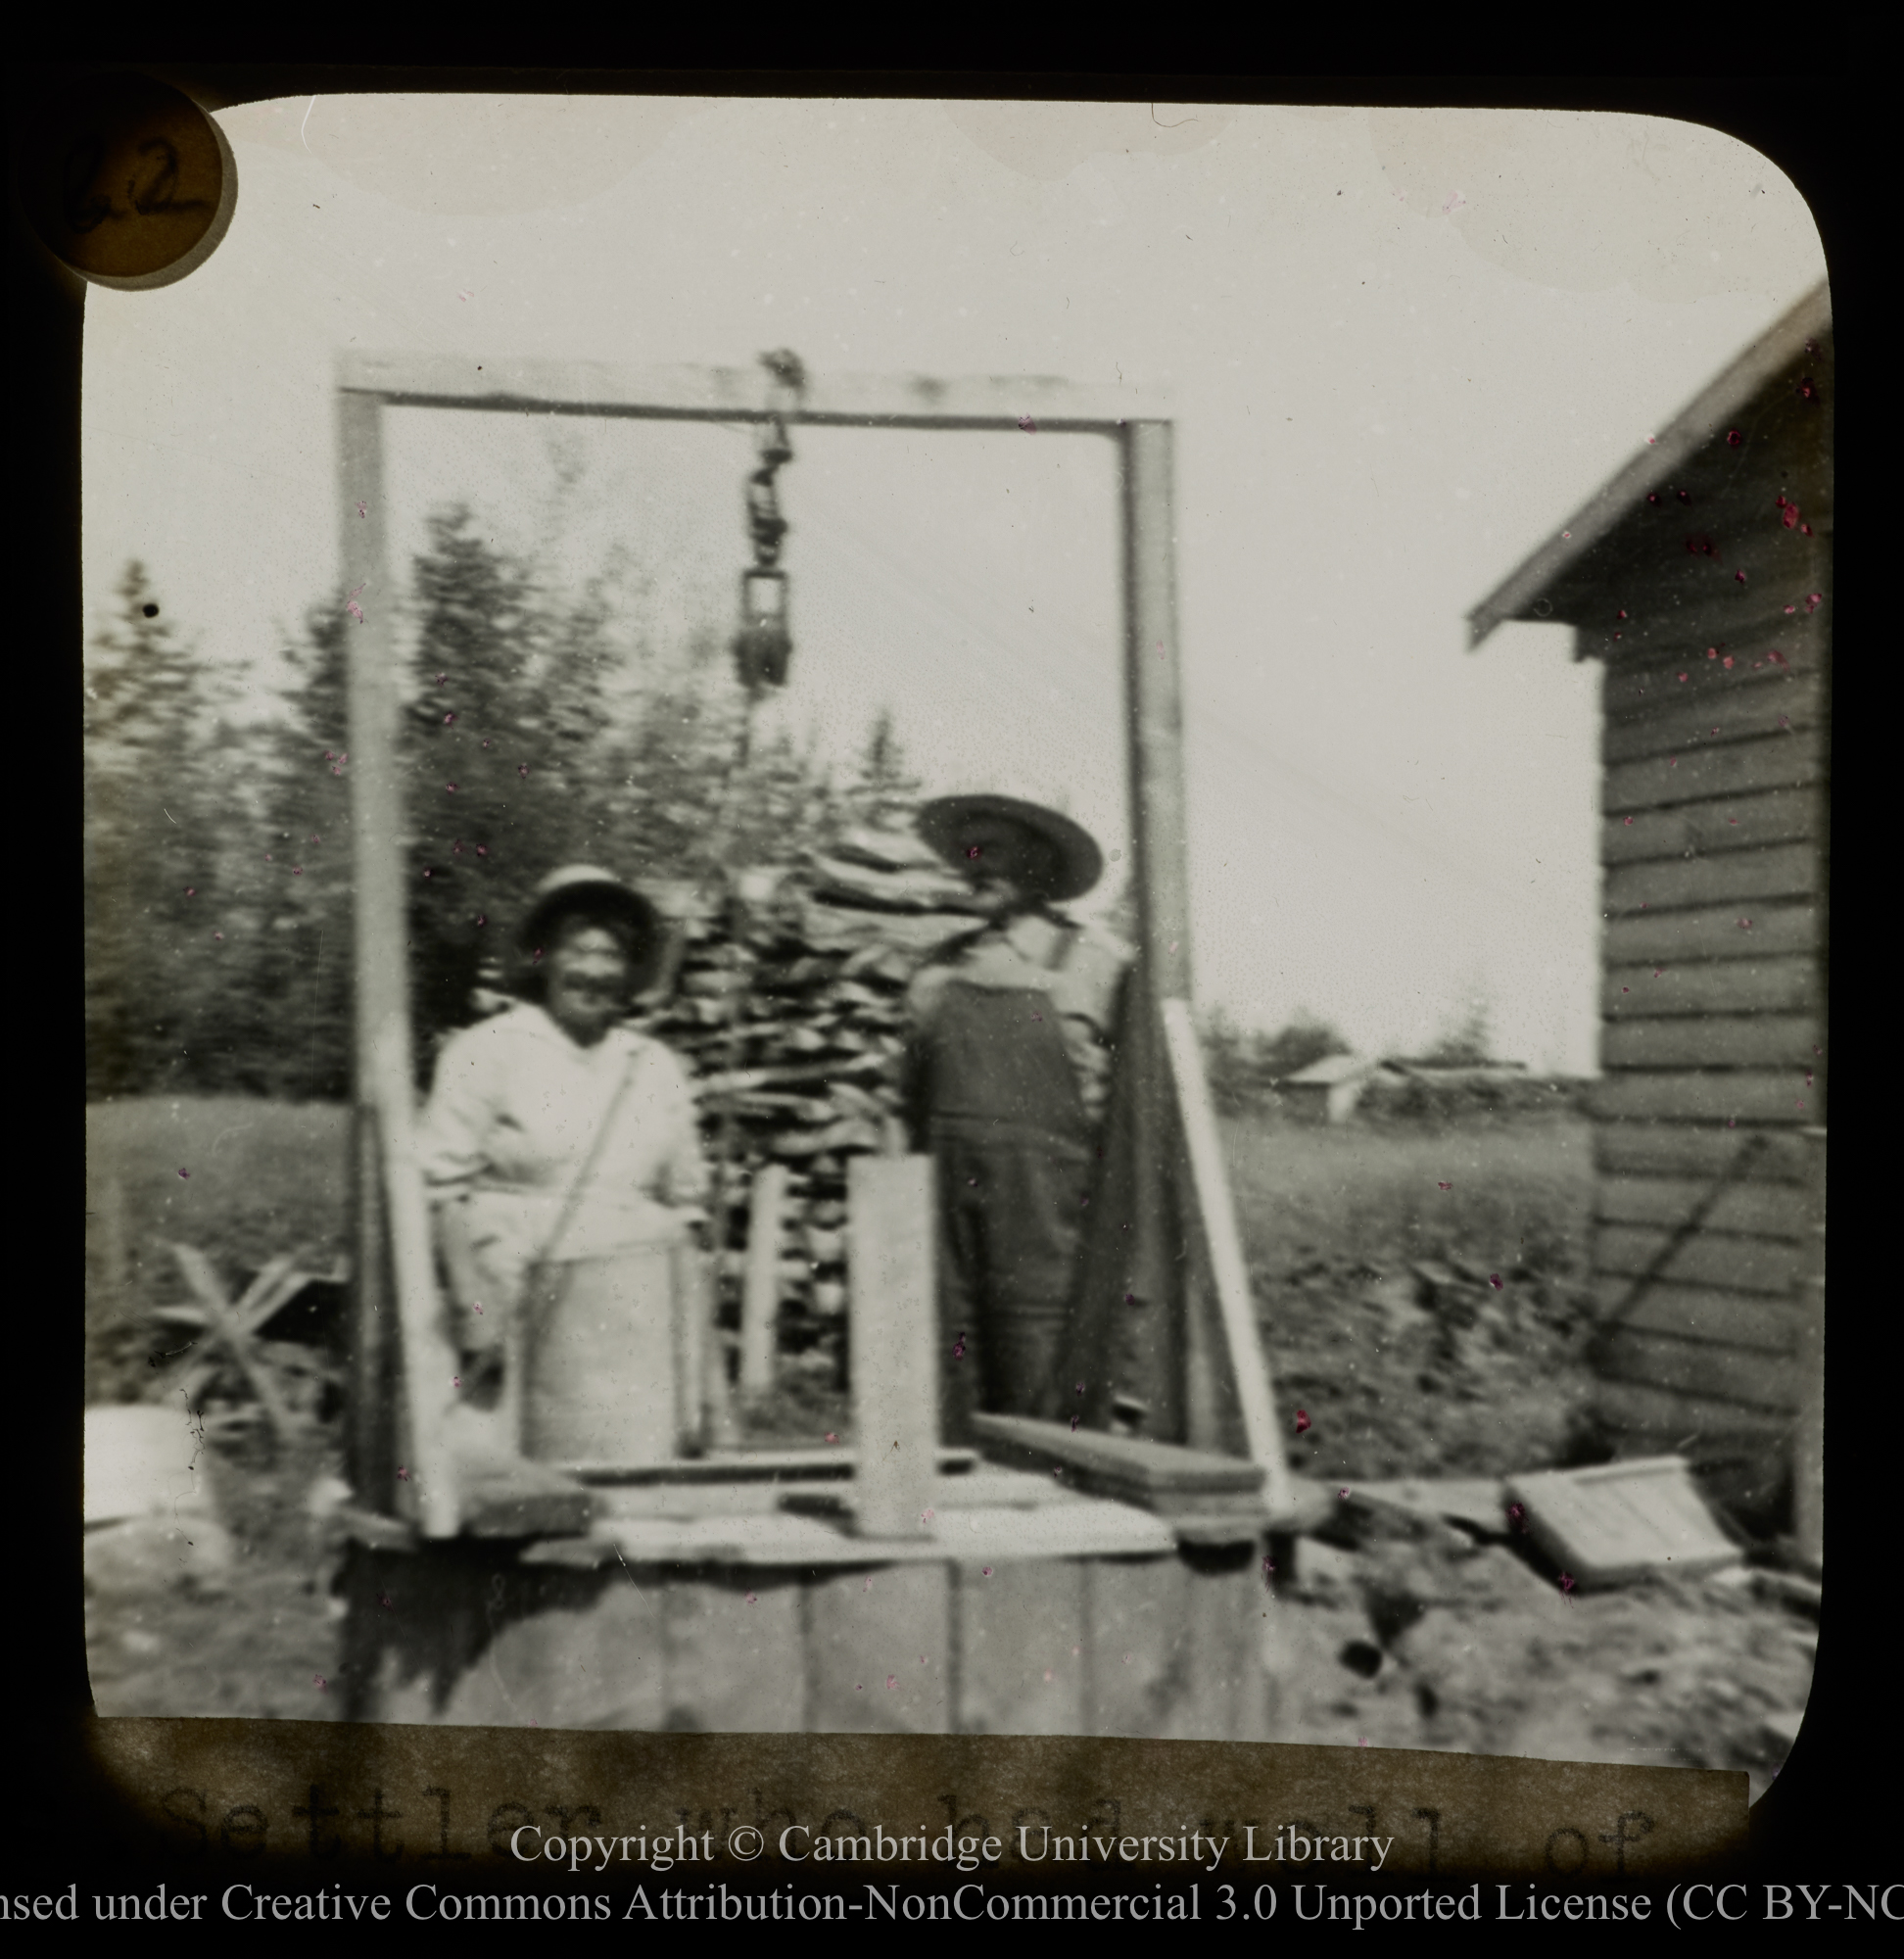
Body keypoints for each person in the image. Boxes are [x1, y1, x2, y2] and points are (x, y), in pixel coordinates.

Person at [416, 866, 709, 1461]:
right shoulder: (488, 1050)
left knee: (633, 1470)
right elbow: (440, 1190)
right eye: (578, 951)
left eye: (613, 956)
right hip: (515, 1292)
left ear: (631, 971)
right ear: (543, 957)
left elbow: (687, 1206)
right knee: (505, 1470)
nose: (595, 971)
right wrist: (473, 1307)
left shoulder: (652, 1063)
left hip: (634, 1305)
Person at [902, 794, 1132, 1436]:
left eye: (993, 851)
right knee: (944, 1387)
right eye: (967, 852)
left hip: (1050, 1229)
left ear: (1039, 863)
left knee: (1047, 1398)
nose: (976, 866)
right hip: (946, 1229)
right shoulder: (934, 975)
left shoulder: (1095, 968)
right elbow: (906, 1112)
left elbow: (1136, 1126)